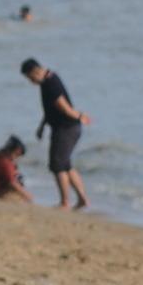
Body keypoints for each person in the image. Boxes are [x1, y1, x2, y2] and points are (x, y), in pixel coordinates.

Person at [21, 59, 89, 209]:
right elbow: (50, 109)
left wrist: (79, 116)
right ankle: (82, 199)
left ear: (35, 71)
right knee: (65, 164)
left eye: (30, 78)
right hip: (66, 127)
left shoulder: (50, 83)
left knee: (57, 165)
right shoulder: (47, 80)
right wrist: (42, 126)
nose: (31, 82)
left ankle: (65, 202)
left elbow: (63, 106)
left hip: (66, 129)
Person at [0, 136, 33, 201]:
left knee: (16, 174)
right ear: (17, 151)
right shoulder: (6, 162)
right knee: (19, 179)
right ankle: (2, 196)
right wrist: (27, 195)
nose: (17, 158)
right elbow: (12, 183)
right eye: (18, 155)